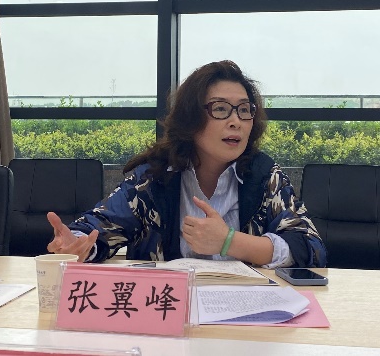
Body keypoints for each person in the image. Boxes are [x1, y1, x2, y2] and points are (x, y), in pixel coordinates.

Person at [46, 60, 327, 268]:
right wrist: (75, 244)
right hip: (168, 311)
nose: (236, 121)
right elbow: (99, 228)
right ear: (191, 118)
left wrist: (230, 241)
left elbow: (310, 248)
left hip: (244, 311)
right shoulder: (154, 178)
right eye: (220, 109)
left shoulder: (265, 176)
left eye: (244, 110)